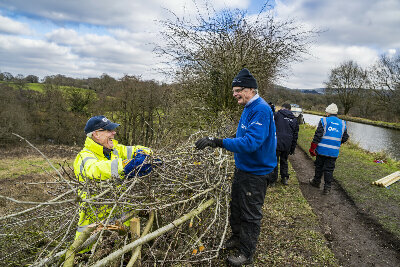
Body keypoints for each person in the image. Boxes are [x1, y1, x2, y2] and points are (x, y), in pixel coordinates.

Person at [195, 68, 277, 266]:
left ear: (250, 89)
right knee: (237, 207)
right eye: (233, 91)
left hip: (256, 173)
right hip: (244, 169)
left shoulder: (261, 109)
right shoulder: (249, 107)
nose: (234, 94)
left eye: (237, 90)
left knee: (250, 214)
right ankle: (238, 238)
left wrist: (218, 141)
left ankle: (246, 253)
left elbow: (250, 143)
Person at [73, 115, 157, 243]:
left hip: (121, 232)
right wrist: (124, 166)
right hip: (93, 239)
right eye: (109, 130)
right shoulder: (84, 157)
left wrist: (148, 157)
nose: (114, 132)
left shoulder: (114, 150)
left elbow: (138, 150)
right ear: (96, 134)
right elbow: (95, 169)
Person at [308, 103, 349, 194]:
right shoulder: (342, 123)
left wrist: (312, 148)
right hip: (333, 152)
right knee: (329, 170)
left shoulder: (324, 121)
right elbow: (345, 137)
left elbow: (317, 136)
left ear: (328, 112)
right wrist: (337, 142)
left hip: (321, 150)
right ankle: (327, 188)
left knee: (319, 166)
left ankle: (316, 182)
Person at [272, 103, 299, 185]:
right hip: (287, 143)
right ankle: (284, 178)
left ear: (282, 108)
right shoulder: (294, 119)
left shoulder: (276, 115)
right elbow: (295, 135)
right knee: (284, 160)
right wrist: (292, 148)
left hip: (277, 142)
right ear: (290, 109)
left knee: (274, 161)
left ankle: (273, 180)